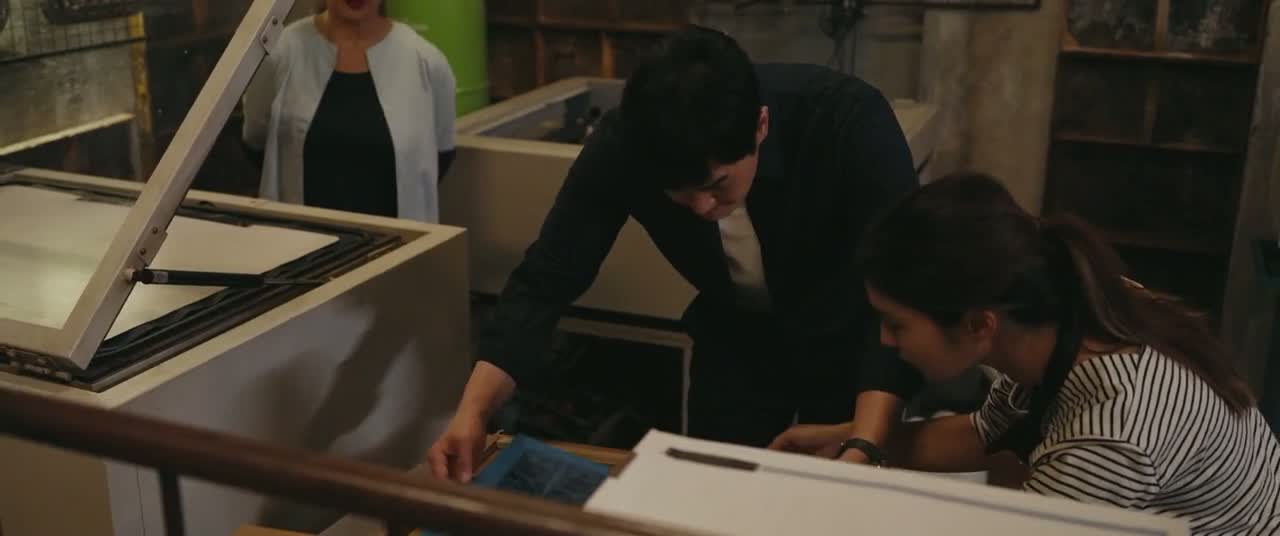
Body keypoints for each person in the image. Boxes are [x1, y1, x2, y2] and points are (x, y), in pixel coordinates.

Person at [426, 24, 925, 482]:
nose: (704, 209)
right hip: (735, 336)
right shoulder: (625, 144)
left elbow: (904, 288)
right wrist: (473, 412)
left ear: (760, 126)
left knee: (838, 496)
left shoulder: (846, 121)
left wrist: (865, 444)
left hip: (852, 338)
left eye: (717, 184)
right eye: (681, 195)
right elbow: (547, 276)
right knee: (712, 488)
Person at [770, 173, 1280, 534]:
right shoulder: (1060, 312)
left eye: (896, 324)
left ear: (978, 324)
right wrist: (856, 443)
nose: (885, 341)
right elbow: (983, 432)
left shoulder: (1107, 439)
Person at [241, 0, 456, 222]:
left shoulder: (427, 62)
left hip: (396, 239)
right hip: (300, 236)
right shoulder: (280, 53)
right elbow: (256, 139)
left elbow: (439, 157)